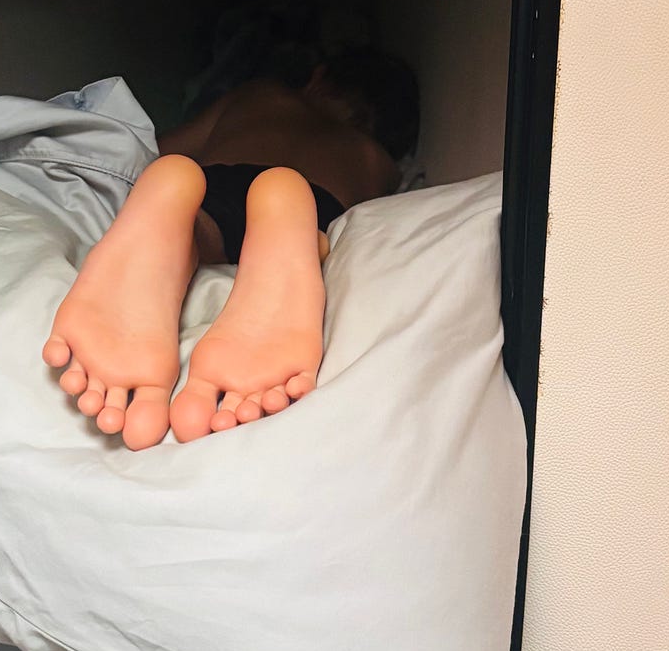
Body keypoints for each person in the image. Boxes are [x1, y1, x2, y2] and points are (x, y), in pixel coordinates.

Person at [42, 49, 419, 450]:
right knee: (316, 237)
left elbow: (164, 145)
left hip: (219, 184)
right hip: (317, 199)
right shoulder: (376, 160)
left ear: (320, 77)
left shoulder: (264, 96)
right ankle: (290, 222)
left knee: (195, 228)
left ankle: (172, 199)